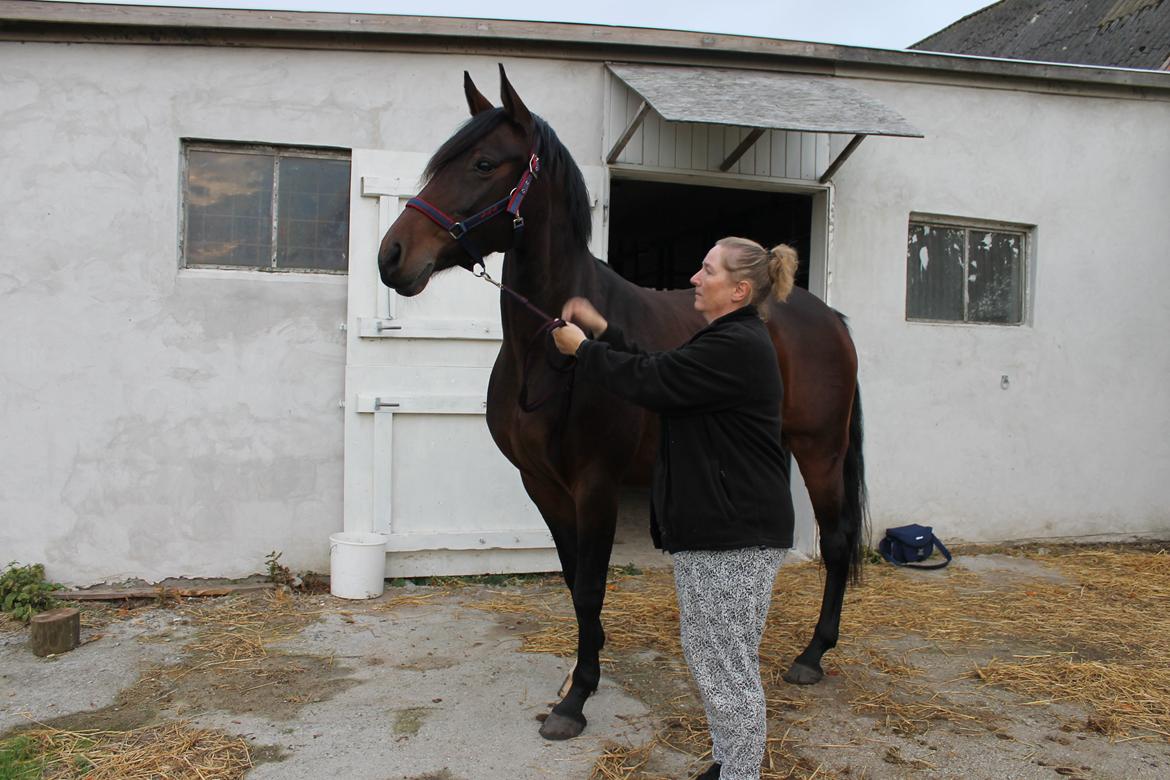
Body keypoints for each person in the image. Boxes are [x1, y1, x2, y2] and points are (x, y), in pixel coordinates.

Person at [552, 237, 799, 780]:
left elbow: (654, 381)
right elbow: (664, 365)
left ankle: (740, 774)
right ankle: (730, 764)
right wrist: (604, 330)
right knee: (712, 661)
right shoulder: (724, 339)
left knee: (727, 670)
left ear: (737, 289)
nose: (693, 277)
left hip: (735, 534)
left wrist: (584, 352)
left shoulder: (737, 345)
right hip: (721, 529)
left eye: (706, 270)